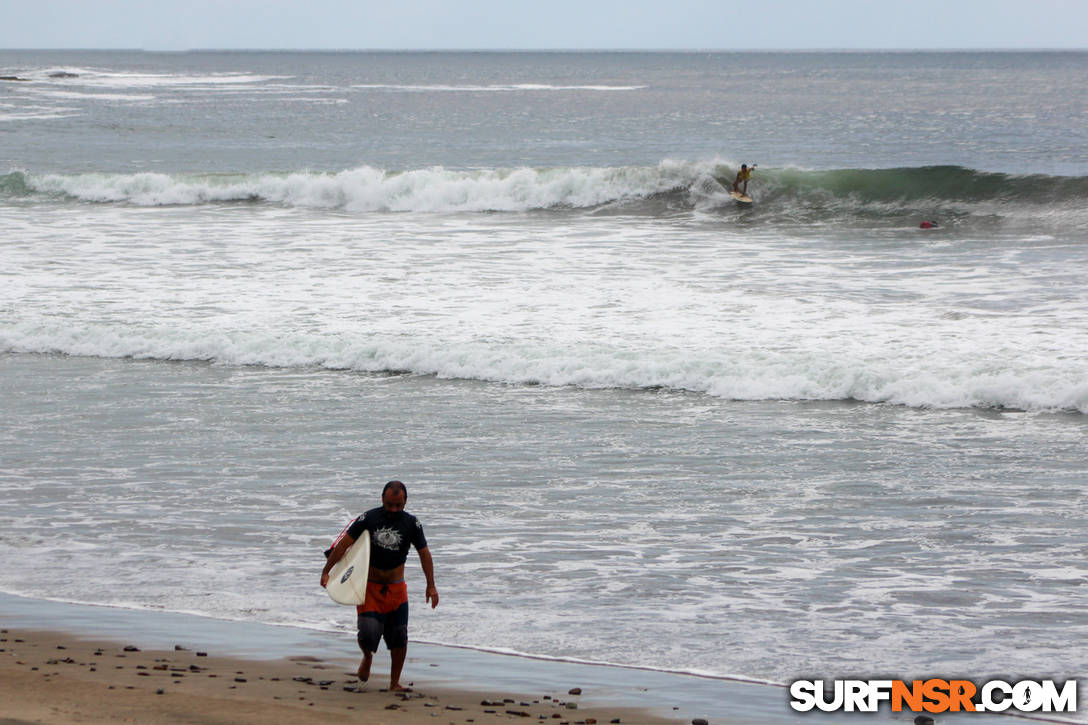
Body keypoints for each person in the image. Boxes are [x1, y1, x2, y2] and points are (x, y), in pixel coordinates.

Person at [321, 480, 438, 691]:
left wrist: (431, 586)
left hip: (396, 589)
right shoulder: (369, 518)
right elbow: (343, 546)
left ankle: (394, 683)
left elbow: (424, 554)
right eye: (390, 504)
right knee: (368, 634)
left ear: (405, 501)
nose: (394, 510)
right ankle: (367, 657)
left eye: (399, 505)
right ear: (382, 499)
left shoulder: (412, 524)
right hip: (370, 587)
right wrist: (326, 571)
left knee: (399, 637)